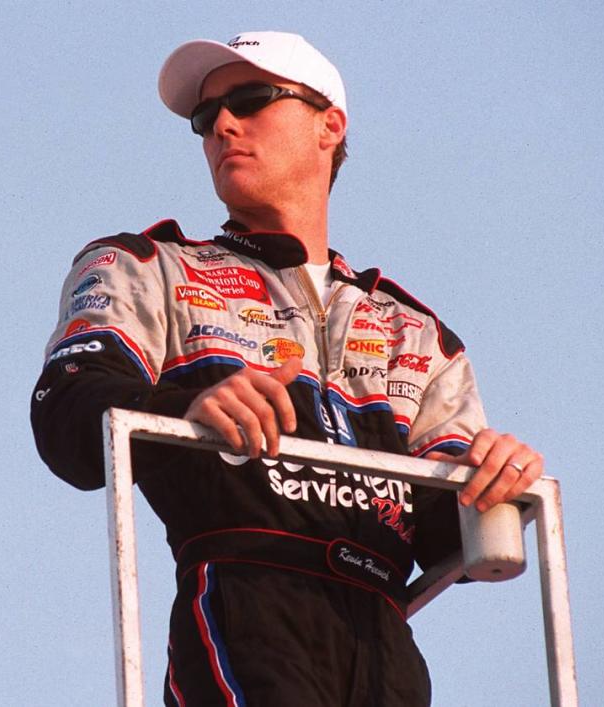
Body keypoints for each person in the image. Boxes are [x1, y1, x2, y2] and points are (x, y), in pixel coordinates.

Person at [31, 30, 543, 706]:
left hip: (387, 635)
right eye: (203, 118)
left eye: (250, 99)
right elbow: (66, 410)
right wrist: (185, 405)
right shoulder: (148, 266)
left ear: (330, 125)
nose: (221, 126)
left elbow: (449, 536)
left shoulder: (415, 331)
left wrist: (496, 476)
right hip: (244, 600)